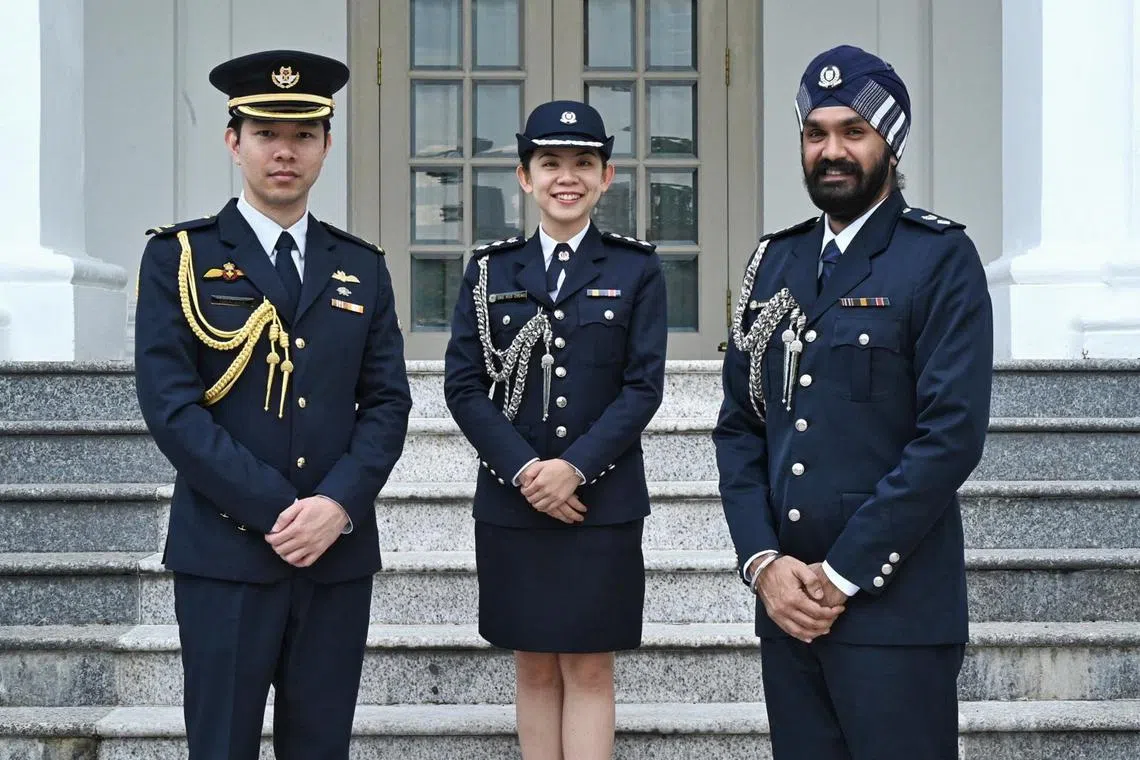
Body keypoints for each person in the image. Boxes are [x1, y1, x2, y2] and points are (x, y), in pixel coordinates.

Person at [713, 45, 993, 760]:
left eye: (853, 132)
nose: (830, 151)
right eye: (816, 132)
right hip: (786, 610)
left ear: (890, 143)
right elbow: (741, 428)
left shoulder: (937, 259)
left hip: (892, 613)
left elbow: (949, 436)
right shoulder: (775, 261)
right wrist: (763, 565)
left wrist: (839, 576)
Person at [134, 49, 411, 759]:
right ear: (234, 143)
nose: (284, 152)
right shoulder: (181, 258)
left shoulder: (361, 266)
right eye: (265, 134)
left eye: (303, 136)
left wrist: (336, 506)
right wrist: (279, 512)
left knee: (320, 747)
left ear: (325, 144)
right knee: (221, 745)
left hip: (334, 554)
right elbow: (173, 409)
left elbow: (386, 404)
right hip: (225, 551)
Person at [444, 100, 667, 759]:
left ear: (606, 176)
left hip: (601, 502)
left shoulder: (635, 270)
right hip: (514, 503)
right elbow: (463, 385)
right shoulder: (490, 271)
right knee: (534, 663)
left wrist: (574, 468)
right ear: (524, 177)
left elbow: (641, 387)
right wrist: (523, 471)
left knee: (591, 665)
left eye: (582, 163)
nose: (565, 177)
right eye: (550, 163)